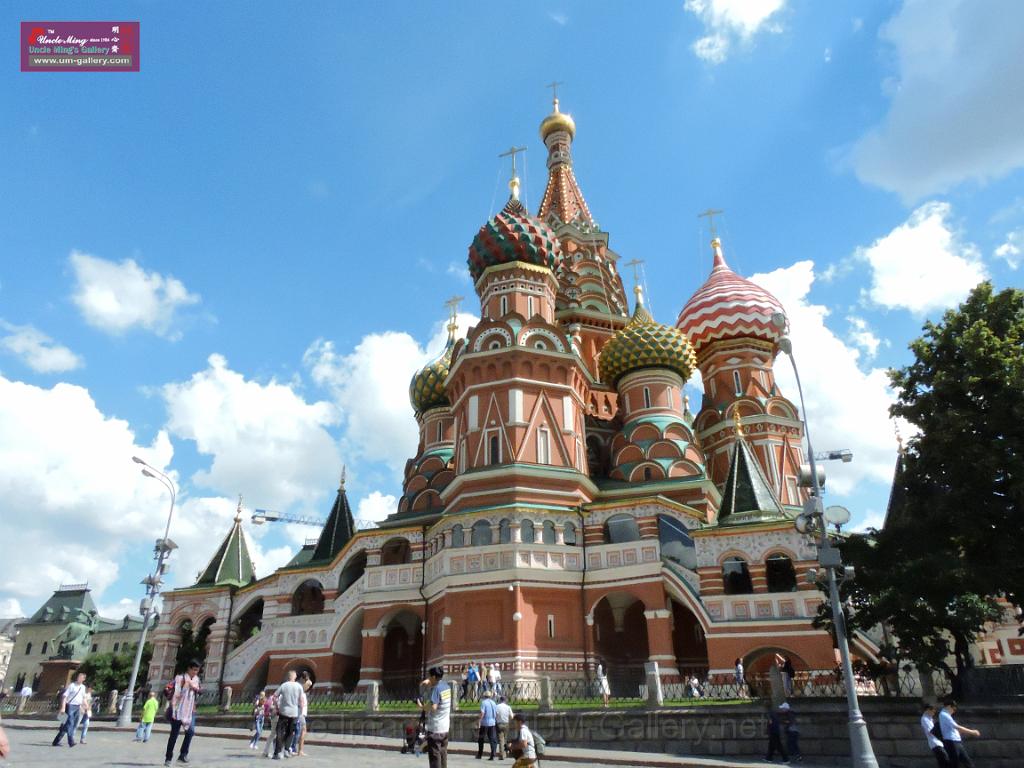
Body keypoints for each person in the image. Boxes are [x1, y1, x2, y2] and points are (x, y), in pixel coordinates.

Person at [164, 659, 202, 767]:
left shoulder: (197, 681)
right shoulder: (179, 679)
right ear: (189, 669)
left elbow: (200, 691)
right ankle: (168, 758)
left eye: (197, 670)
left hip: (190, 711)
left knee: (190, 732)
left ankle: (183, 755)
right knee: (174, 735)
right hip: (178, 710)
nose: (195, 672)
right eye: (194, 670)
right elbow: (167, 689)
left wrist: (194, 688)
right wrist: (175, 696)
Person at [419, 666, 451, 768]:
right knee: (443, 753)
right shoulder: (446, 686)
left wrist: (422, 707)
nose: (428, 678)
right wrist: (428, 682)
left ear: (433, 677)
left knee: (434, 755)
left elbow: (433, 707)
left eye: (429, 676)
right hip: (445, 727)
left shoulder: (436, 689)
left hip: (436, 729)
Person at [938, 699, 980, 768]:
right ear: (949, 706)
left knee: (967, 762)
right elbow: (957, 727)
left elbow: (953, 728)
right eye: (954, 709)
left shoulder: (946, 715)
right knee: (955, 764)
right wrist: (972, 732)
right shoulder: (944, 715)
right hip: (951, 742)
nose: (954, 711)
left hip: (956, 742)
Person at [273, 670, 303, 759]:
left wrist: (277, 706)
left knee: (279, 732)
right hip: (294, 712)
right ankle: (286, 750)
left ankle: (278, 752)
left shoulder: (284, 685)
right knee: (290, 732)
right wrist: (300, 711)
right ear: (295, 677)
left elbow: (274, 696)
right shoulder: (299, 686)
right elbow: (301, 700)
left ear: (288, 677)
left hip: (284, 711)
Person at [52, 671, 87, 747]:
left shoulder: (83, 687)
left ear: (83, 679)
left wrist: (85, 706)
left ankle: (56, 741)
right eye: (78, 677)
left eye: (81, 677)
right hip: (70, 706)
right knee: (70, 723)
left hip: (77, 707)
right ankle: (71, 741)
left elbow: (83, 698)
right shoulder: (72, 685)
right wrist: (63, 707)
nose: (79, 678)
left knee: (66, 725)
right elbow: (65, 696)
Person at [477, 690, 499, 760]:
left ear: (484, 696)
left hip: (485, 723)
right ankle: (493, 753)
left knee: (481, 739)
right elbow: (496, 714)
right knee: (492, 739)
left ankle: (480, 754)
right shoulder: (493, 703)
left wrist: (479, 721)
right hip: (492, 723)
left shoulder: (484, 702)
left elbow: (482, 713)